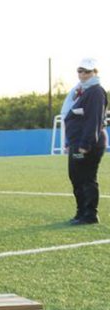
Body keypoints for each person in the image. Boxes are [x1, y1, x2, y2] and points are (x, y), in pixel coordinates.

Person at [61, 58, 107, 225]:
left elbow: (93, 120)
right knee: (76, 177)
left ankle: (89, 214)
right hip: (77, 140)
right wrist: (69, 141)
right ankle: (81, 212)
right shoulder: (80, 90)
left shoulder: (96, 91)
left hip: (87, 142)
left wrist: (85, 145)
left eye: (87, 71)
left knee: (86, 178)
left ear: (95, 72)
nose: (83, 74)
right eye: (80, 71)